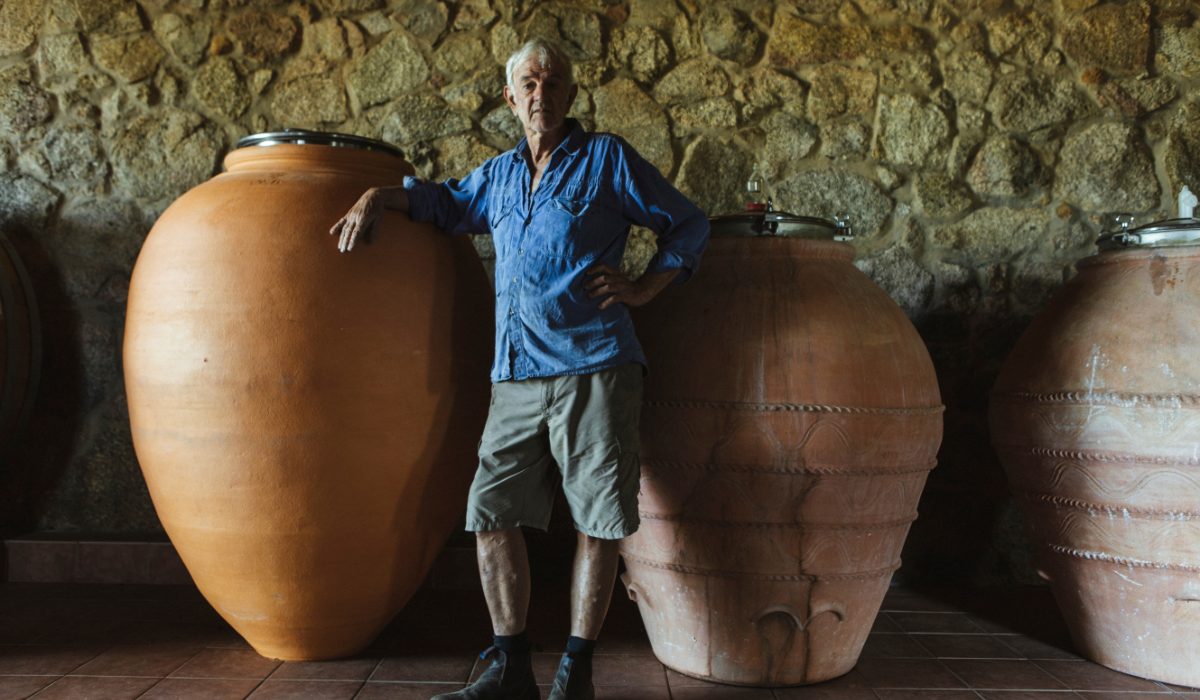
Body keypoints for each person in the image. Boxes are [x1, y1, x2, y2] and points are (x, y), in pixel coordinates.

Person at [329, 37, 709, 700]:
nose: (542, 93)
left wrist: (646, 287)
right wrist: (375, 196)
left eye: (554, 82)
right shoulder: (498, 177)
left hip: (595, 367)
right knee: (489, 513)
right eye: (530, 83)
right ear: (511, 97)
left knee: (597, 520)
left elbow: (688, 224)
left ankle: (576, 674)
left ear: (570, 94)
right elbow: (442, 205)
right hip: (515, 376)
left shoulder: (607, 160)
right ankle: (510, 669)